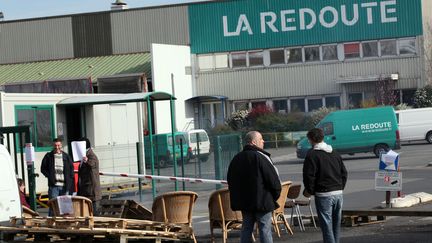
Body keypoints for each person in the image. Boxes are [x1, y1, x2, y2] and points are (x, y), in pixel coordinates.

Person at [227, 131, 281, 243]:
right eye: (261, 139)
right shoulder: (261, 157)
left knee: (246, 229)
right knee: (265, 230)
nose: (263, 141)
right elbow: (273, 181)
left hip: (245, 203)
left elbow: (230, 181)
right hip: (263, 202)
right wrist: (274, 197)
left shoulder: (236, 158)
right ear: (253, 142)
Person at [302, 128, 348, 243]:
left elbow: (309, 176)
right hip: (338, 192)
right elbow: (344, 173)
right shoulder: (334, 153)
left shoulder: (312, 155)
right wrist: (340, 187)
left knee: (327, 226)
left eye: (309, 140)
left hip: (323, 194)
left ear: (312, 139)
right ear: (322, 137)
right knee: (336, 225)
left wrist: (310, 190)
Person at [41, 138, 74, 215]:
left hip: (64, 186)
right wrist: (50, 177)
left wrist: (69, 181)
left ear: (61, 145)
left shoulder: (66, 156)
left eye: (58, 145)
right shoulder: (48, 156)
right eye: (55, 145)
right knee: (53, 206)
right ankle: (52, 223)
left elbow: (71, 170)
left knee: (65, 208)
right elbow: (43, 169)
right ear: (53, 145)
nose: (57, 147)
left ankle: (65, 224)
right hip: (53, 186)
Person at [77, 137, 101, 215]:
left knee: (94, 213)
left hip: (91, 191)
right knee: (87, 213)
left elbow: (92, 164)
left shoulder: (91, 156)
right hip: (85, 191)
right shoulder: (83, 156)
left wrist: (87, 160)